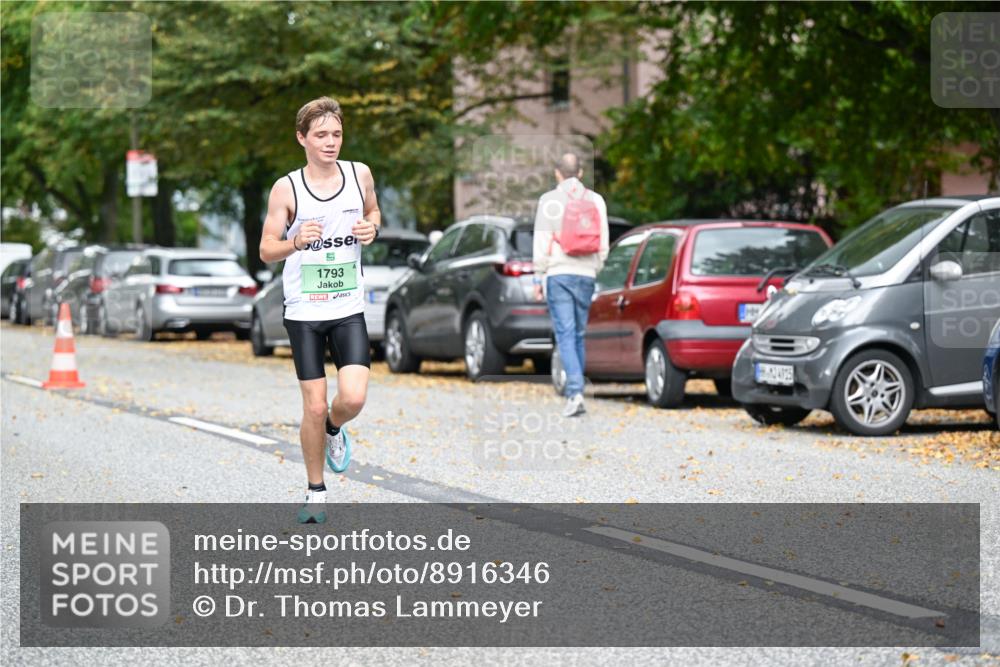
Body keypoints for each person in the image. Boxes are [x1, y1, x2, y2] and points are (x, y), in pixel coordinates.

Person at [259, 97, 381, 524]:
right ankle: (315, 492)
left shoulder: (358, 173)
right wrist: (295, 241)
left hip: (348, 307)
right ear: (302, 138)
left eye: (337, 134)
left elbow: (373, 210)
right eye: (321, 135)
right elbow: (266, 249)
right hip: (305, 312)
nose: (331, 143)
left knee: (353, 397)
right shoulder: (287, 188)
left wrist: (372, 227)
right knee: (312, 405)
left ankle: (333, 428)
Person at [532, 152, 609, 417]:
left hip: (559, 274)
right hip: (586, 274)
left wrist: (538, 275)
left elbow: (541, 242)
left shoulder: (549, 201)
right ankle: (577, 390)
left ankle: (575, 393)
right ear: (581, 173)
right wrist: (594, 267)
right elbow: (603, 243)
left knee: (565, 334)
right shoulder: (596, 200)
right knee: (578, 335)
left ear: (557, 173)